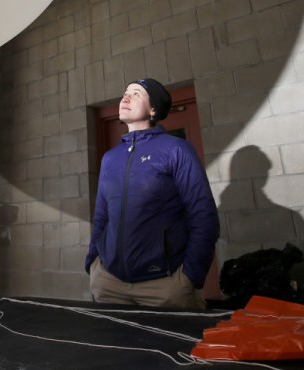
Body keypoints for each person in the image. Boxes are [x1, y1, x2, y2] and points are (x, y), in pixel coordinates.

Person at [85, 78, 219, 308]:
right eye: (125, 93)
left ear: (153, 109)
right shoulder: (110, 158)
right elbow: (102, 216)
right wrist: (93, 263)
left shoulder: (176, 150)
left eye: (136, 94)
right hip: (109, 282)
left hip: (165, 286)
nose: (125, 98)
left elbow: (203, 215)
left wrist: (190, 277)